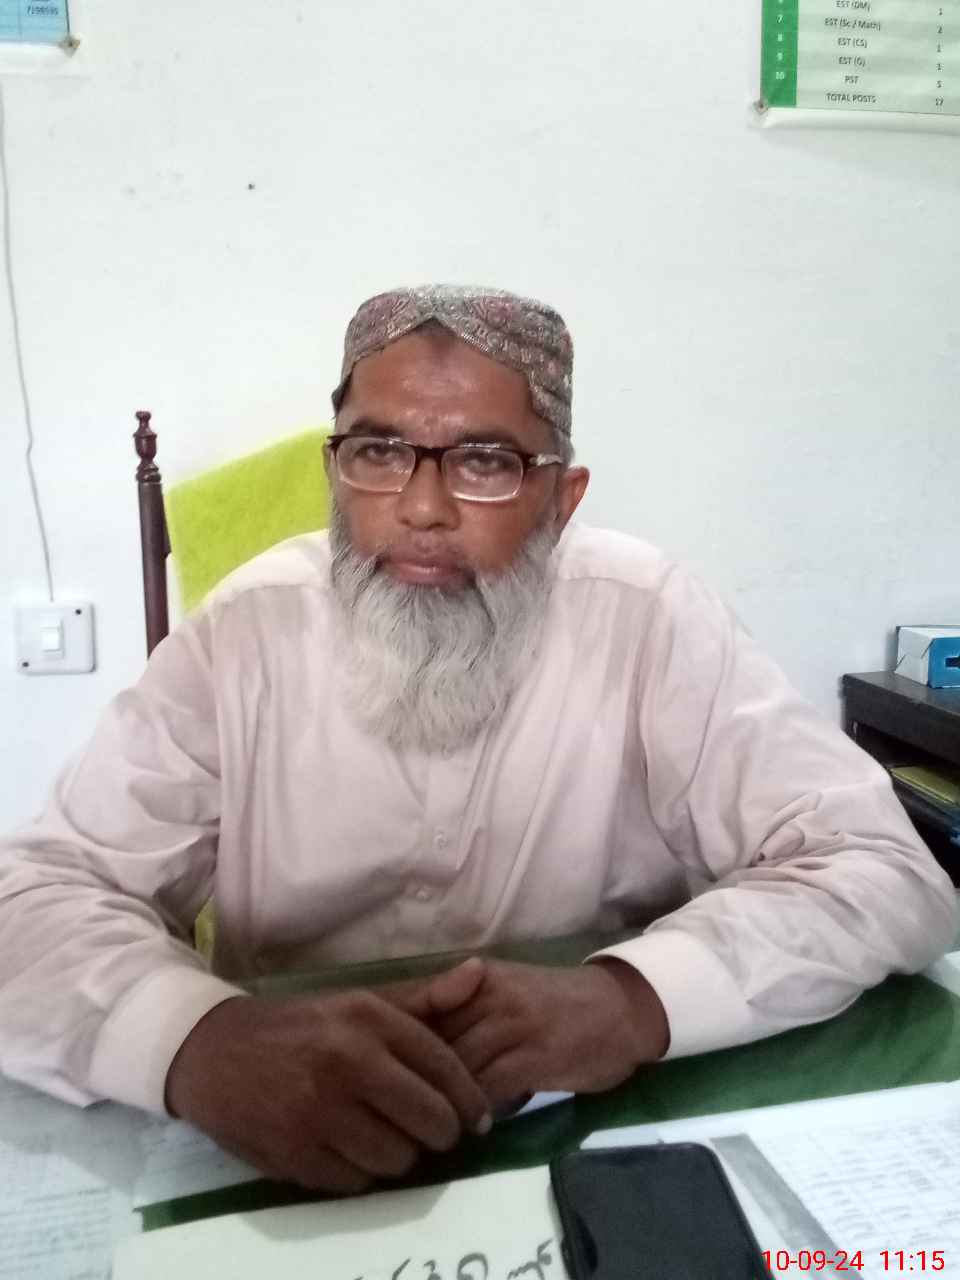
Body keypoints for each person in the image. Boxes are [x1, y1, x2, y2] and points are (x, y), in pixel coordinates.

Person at [0, 285, 954, 1195]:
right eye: (378, 451)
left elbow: (881, 868)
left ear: (561, 499)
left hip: (598, 1126)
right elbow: (37, 896)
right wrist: (196, 1043)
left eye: (486, 463)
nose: (421, 508)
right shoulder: (247, 632)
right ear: (336, 472)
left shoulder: (649, 617)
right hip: (284, 1133)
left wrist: (634, 998)